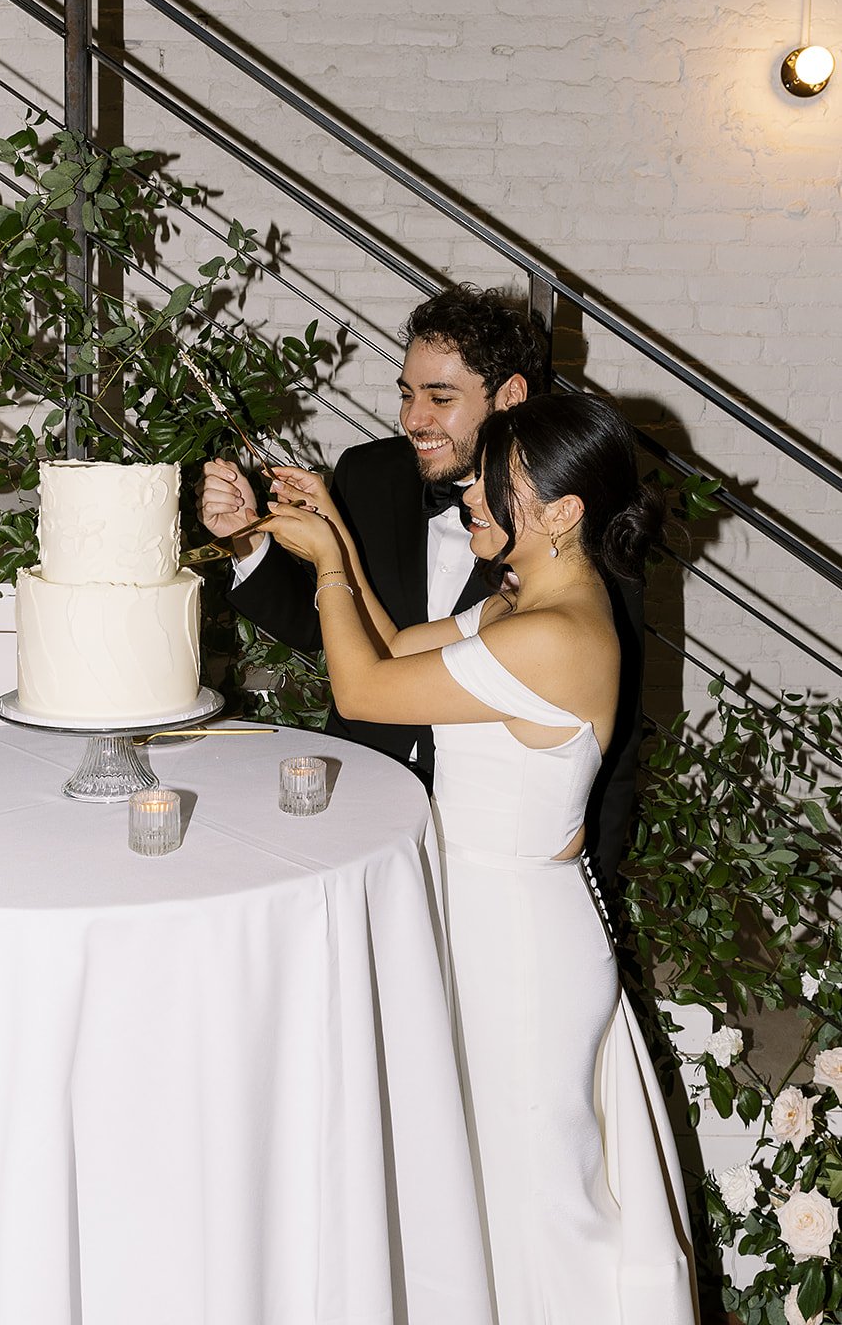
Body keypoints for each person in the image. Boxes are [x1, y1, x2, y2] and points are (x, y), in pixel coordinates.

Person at [257, 393, 699, 1325]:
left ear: (563, 510)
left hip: (520, 945)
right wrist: (335, 530)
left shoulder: (552, 634)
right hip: (484, 918)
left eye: (496, 486)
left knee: (537, 1194)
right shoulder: (522, 599)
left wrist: (333, 565)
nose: (472, 497)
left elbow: (364, 689)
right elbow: (392, 647)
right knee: (485, 1182)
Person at [198, 286, 644, 884]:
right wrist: (259, 540)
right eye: (407, 394)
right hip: (367, 797)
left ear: (510, 395)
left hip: (506, 873)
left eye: (440, 397)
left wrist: (597, 880)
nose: (413, 419)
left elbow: (608, 757)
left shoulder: (581, 571)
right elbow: (369, 641)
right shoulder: (495, 590)